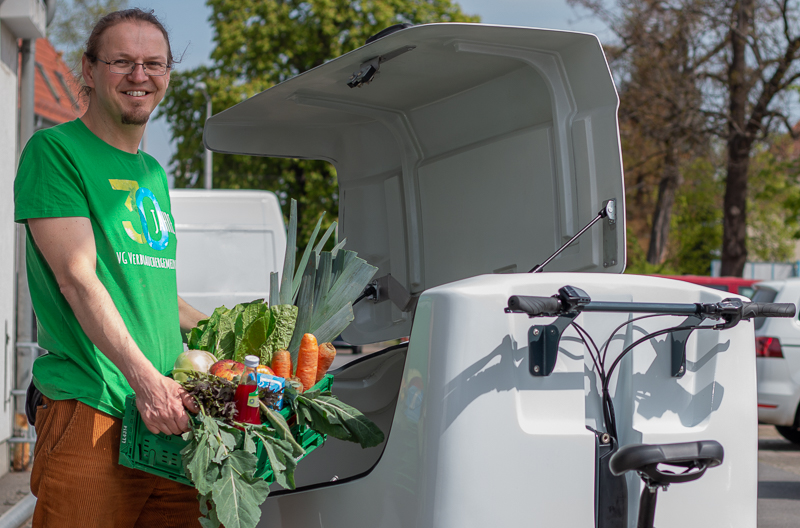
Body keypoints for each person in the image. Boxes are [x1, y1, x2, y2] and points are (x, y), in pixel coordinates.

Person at [14, 9, 207, 527]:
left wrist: (225, 323)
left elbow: (149, 290)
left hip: (166, 418)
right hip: (93, 410)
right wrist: (145, 381)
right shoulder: (55, 152)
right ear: (89, 69)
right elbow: (77, 279)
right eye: (121, 61)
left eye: (153, 63)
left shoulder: (152, 173)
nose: (138, 75)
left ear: (167, 74)